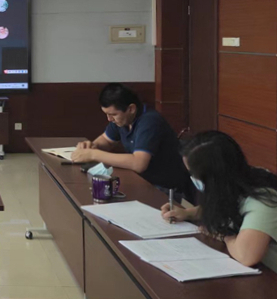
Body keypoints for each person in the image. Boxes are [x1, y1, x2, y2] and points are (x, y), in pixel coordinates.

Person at [161, 131, 277, 271]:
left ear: (214, 178)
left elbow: (246, 256)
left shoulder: (263, 199)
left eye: (193, 174)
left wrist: (223, 236)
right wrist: (188, 213)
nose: (193, 179)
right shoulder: (237, 179)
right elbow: (225, 204)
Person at [71, 83, 194, 200]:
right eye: (107, 114)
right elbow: (107, 141)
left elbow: (139, 163)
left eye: (113, 114)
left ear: (131, 109)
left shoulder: (149, 122)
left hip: (164, 188)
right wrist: (92, 146)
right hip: (140, 181)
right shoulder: (122, 119)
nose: (109, 119)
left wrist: (94, 154)